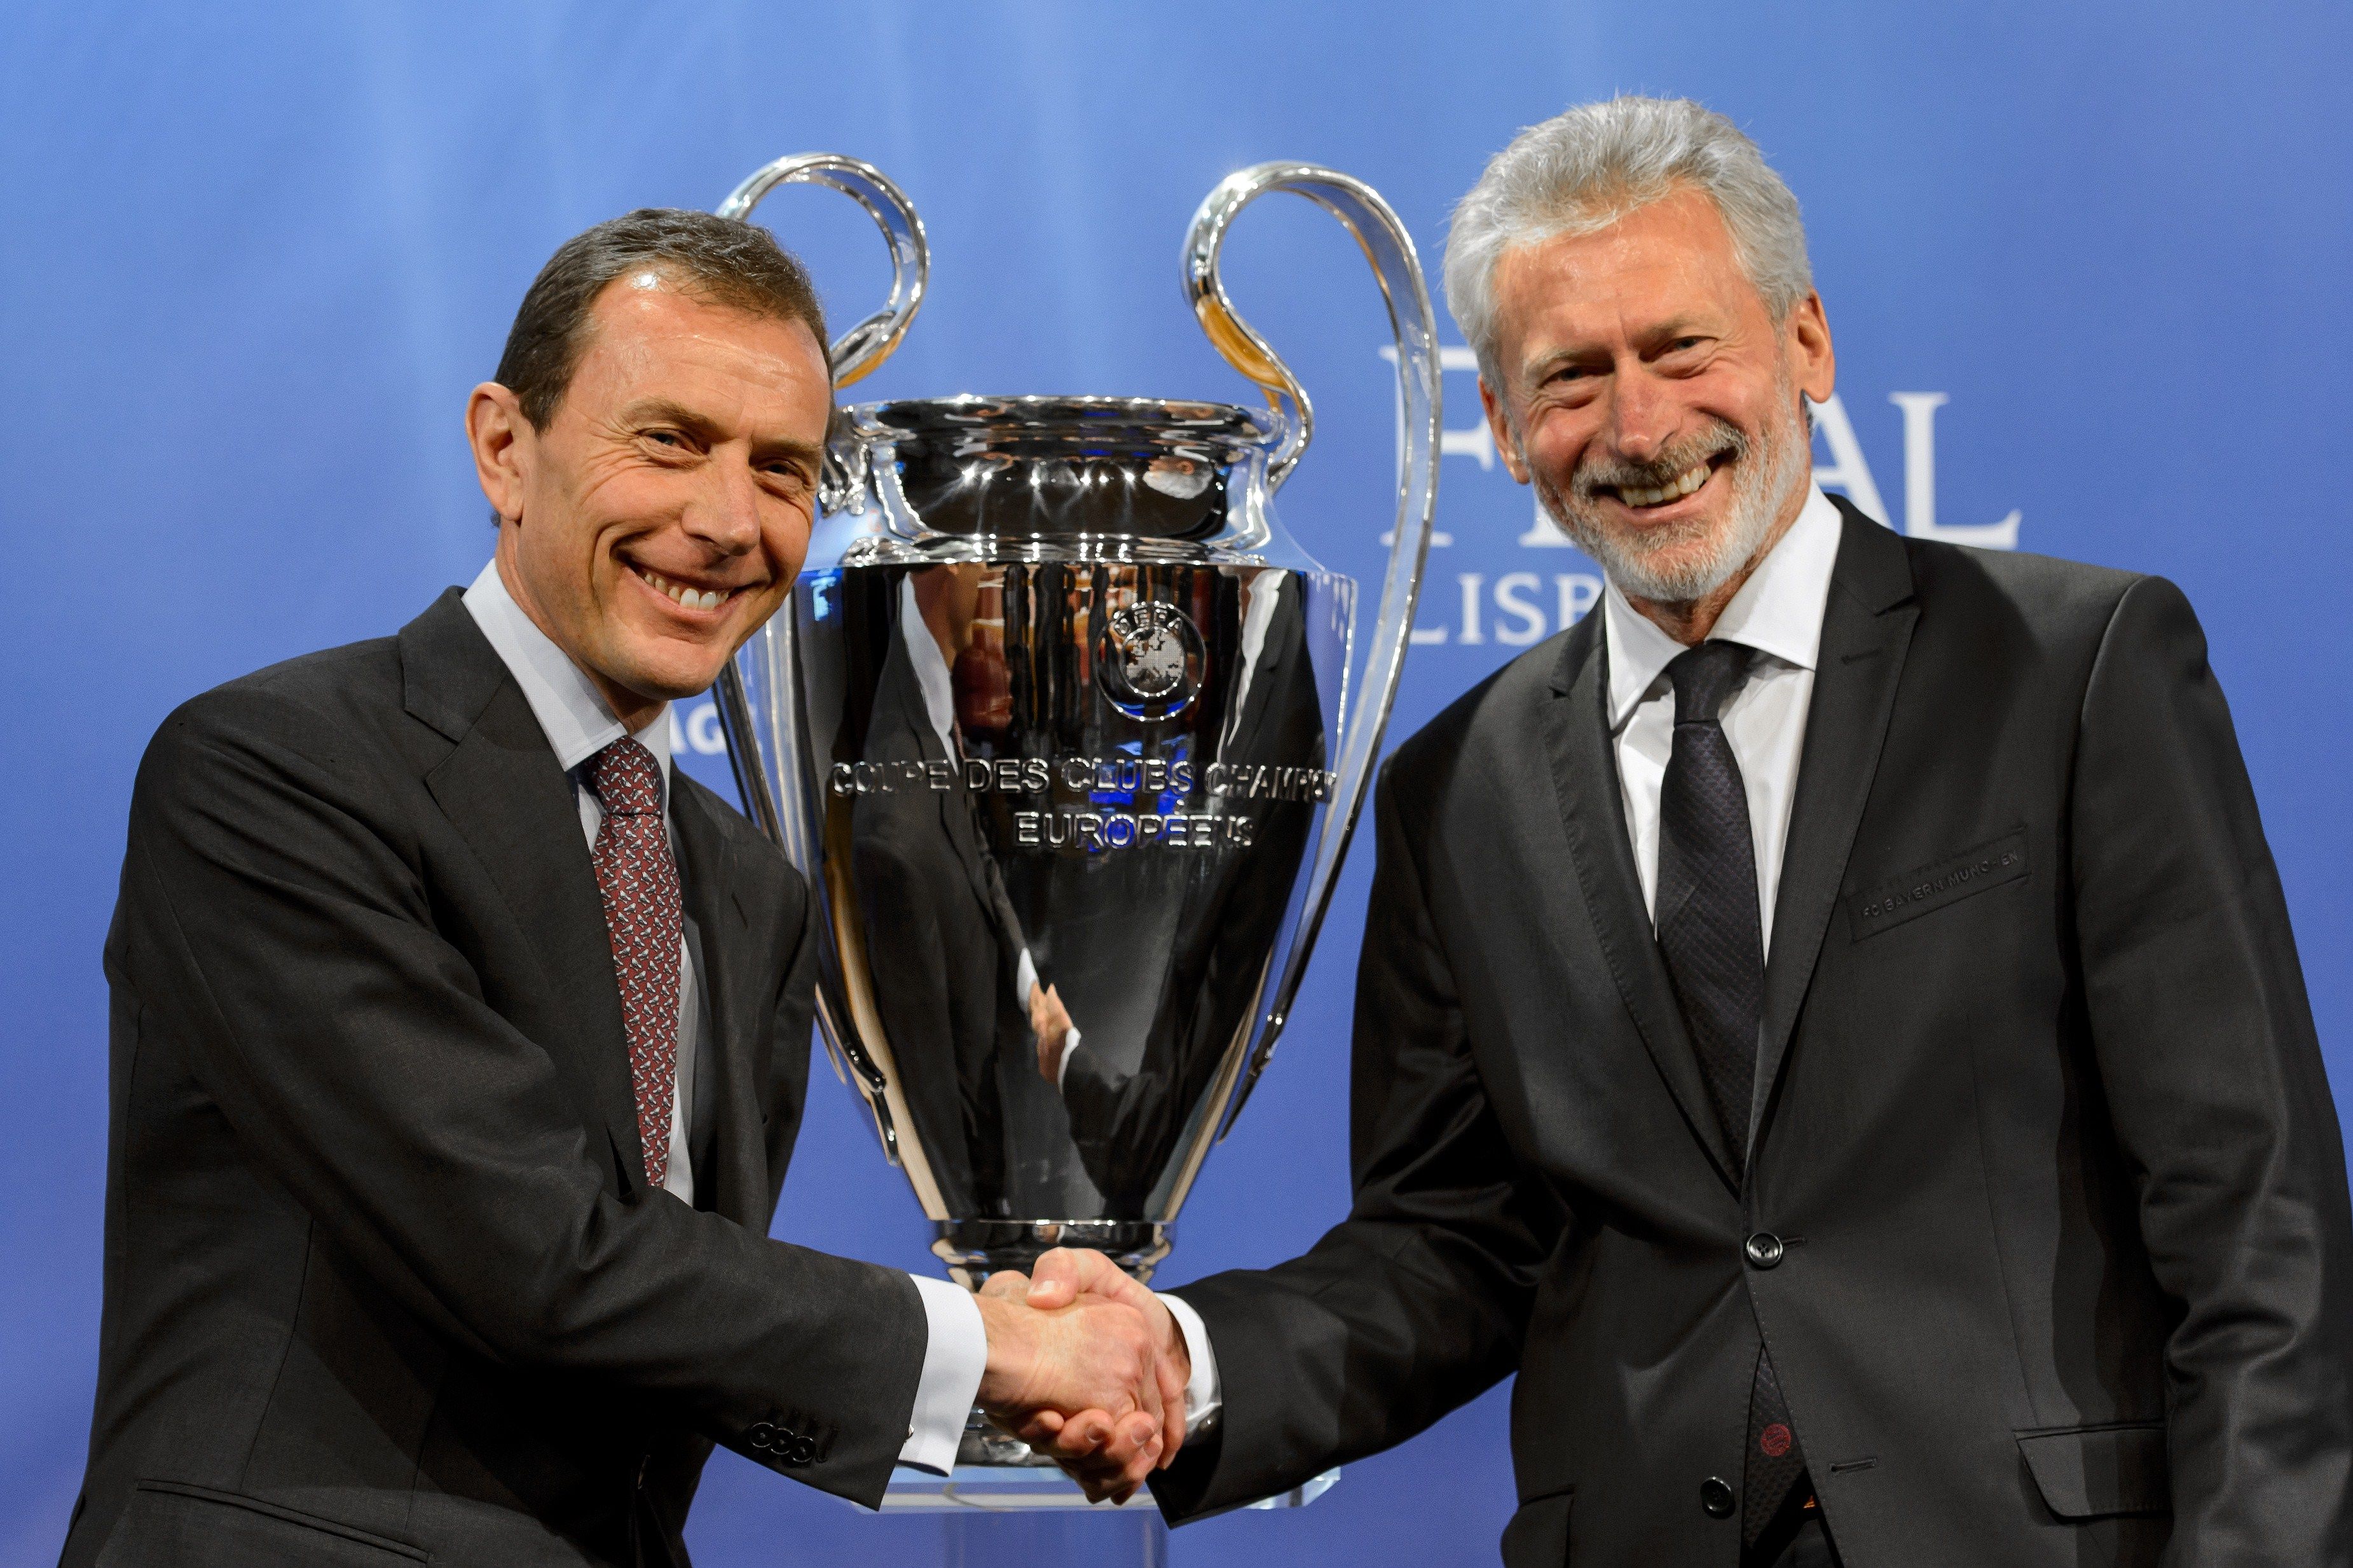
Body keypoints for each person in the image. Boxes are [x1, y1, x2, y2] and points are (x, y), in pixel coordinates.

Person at [994, 97, 2353, 1566]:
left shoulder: (2074, 670)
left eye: (1682, 349)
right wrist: (1191, 1362)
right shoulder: (1460, 787)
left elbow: (2253, 1223)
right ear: (1506, 430)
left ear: (1806, 345)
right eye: (1571, 376)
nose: (1640, 428)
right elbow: (1453, 1245)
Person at [62, 209, 1178, 1568]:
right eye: (669, 440)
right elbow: (532, 1253)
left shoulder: (741, 881)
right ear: (503, 446)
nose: (724, 522)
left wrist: (1015, 1394)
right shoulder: (277, 771)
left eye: (782, 470)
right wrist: (989, 1347)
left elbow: (664, 1322)